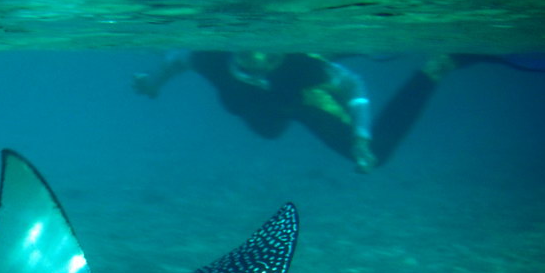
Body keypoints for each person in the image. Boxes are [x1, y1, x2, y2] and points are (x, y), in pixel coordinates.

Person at [133, 51, 379, 172]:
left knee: (276, 122)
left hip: (295, 104)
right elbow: (178, 60)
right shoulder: (211, 59)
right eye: (248, 56)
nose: (258, 66)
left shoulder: (302, 66)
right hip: (254, 111)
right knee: (267, 128)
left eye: (269, 57)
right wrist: (152, 83)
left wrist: (361, 139)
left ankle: (317, 92)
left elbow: (352, 84)